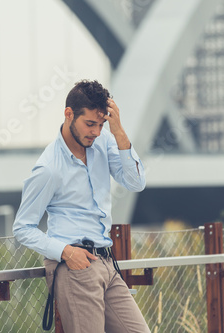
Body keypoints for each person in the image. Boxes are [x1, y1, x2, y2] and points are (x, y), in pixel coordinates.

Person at [13, 80, 150, 332]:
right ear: (68, 114)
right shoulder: (49, 169)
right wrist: (66, 252)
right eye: (90, 124)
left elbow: (135, 182)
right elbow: (23, 228)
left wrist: (118, 130)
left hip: (107, 262)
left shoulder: (104, 141)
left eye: (101, 124)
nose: (96, 132)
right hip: (76, 267)